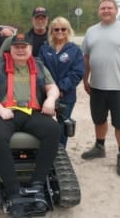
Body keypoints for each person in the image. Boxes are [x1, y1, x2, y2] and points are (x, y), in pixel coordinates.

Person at [0, 33, 61, 218]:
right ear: (10, 48)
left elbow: (53, 87)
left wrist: (50, 100)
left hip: (31, 112)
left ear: (30, 49)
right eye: (16, 46)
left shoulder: (39, 66)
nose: (20, 49)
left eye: (23, 46)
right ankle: (13, 190)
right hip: (4, 113)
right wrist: (1, 110)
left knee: (53, 130)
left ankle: (37, 184)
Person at [81, 0, 120, 177]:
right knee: (98, 119)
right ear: (98, 11)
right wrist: (85, 79)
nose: (106, 10)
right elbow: (85, 58)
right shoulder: (91, 31)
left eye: (109, 8)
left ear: (116, 10)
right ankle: (99, 147)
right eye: (103, 8)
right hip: (98, 87)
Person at [38, 17, 85, 148]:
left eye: (63, 29)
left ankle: (60, 152)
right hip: (46, 95)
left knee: (62, 125)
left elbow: (77, 72)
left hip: (66, 95)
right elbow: (40, 69)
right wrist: (49, 89)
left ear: (68, 30)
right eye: (56, 29)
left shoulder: (75, 50)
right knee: (45, 125)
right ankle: (46, 151)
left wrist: (61, 88)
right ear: (51, 31)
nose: (60, 31)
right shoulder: (45, 48)